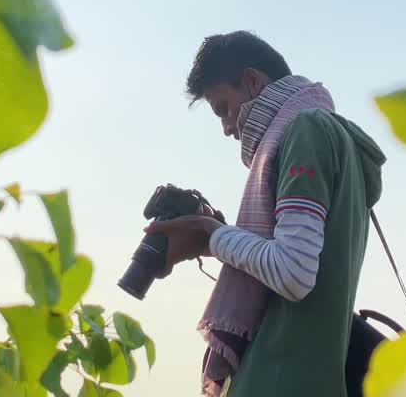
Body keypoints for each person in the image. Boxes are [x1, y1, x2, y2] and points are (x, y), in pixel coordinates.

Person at [146, 31, 386, 396]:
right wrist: (215, 231)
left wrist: (210, 234)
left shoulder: (307, 131)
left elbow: (293, 273)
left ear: (254, 81)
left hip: (279, 379)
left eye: (223, 108)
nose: (227, 128)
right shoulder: (335, 142)